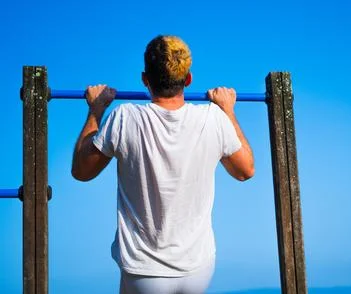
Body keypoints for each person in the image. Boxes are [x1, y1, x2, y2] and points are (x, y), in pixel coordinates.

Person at [71, 35, 255, 294]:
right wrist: (228, 111)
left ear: (145, 79)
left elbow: (81, 171)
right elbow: (245, 170)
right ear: (188, 79)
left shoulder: (124, 118)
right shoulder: (213, 118)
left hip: (144, 271)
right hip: (198, 268)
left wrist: (96, 110)